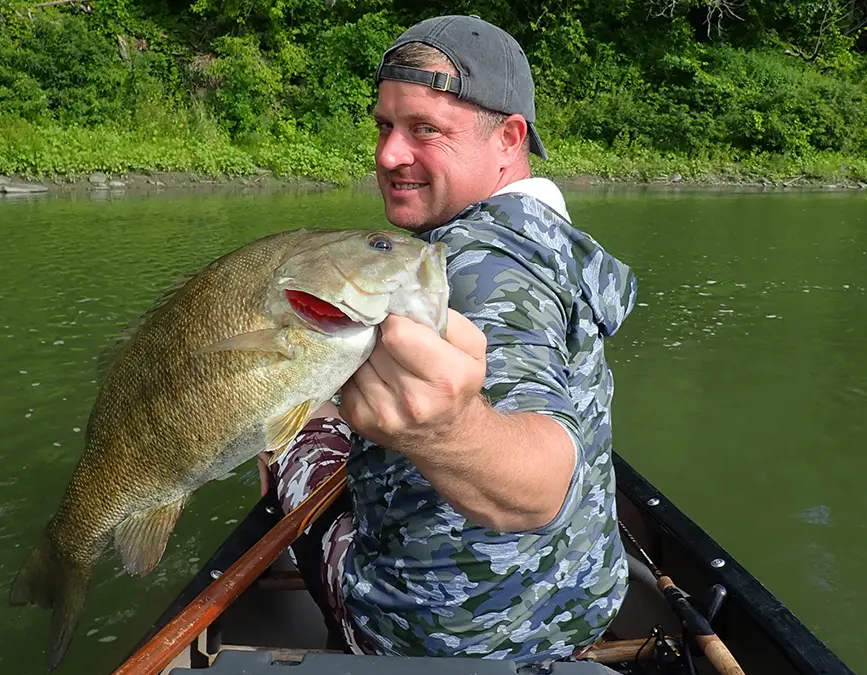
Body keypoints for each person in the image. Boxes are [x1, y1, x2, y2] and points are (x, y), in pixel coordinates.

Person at [259, 14, 639, 664]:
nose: (387, 155)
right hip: (582, 601)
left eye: (425, 130)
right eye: (384, 125)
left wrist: (447, 431)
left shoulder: (477, 264)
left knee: (284, 423)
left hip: (432, 633)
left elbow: (544, 482)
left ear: (508, 138)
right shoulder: (546, 239)